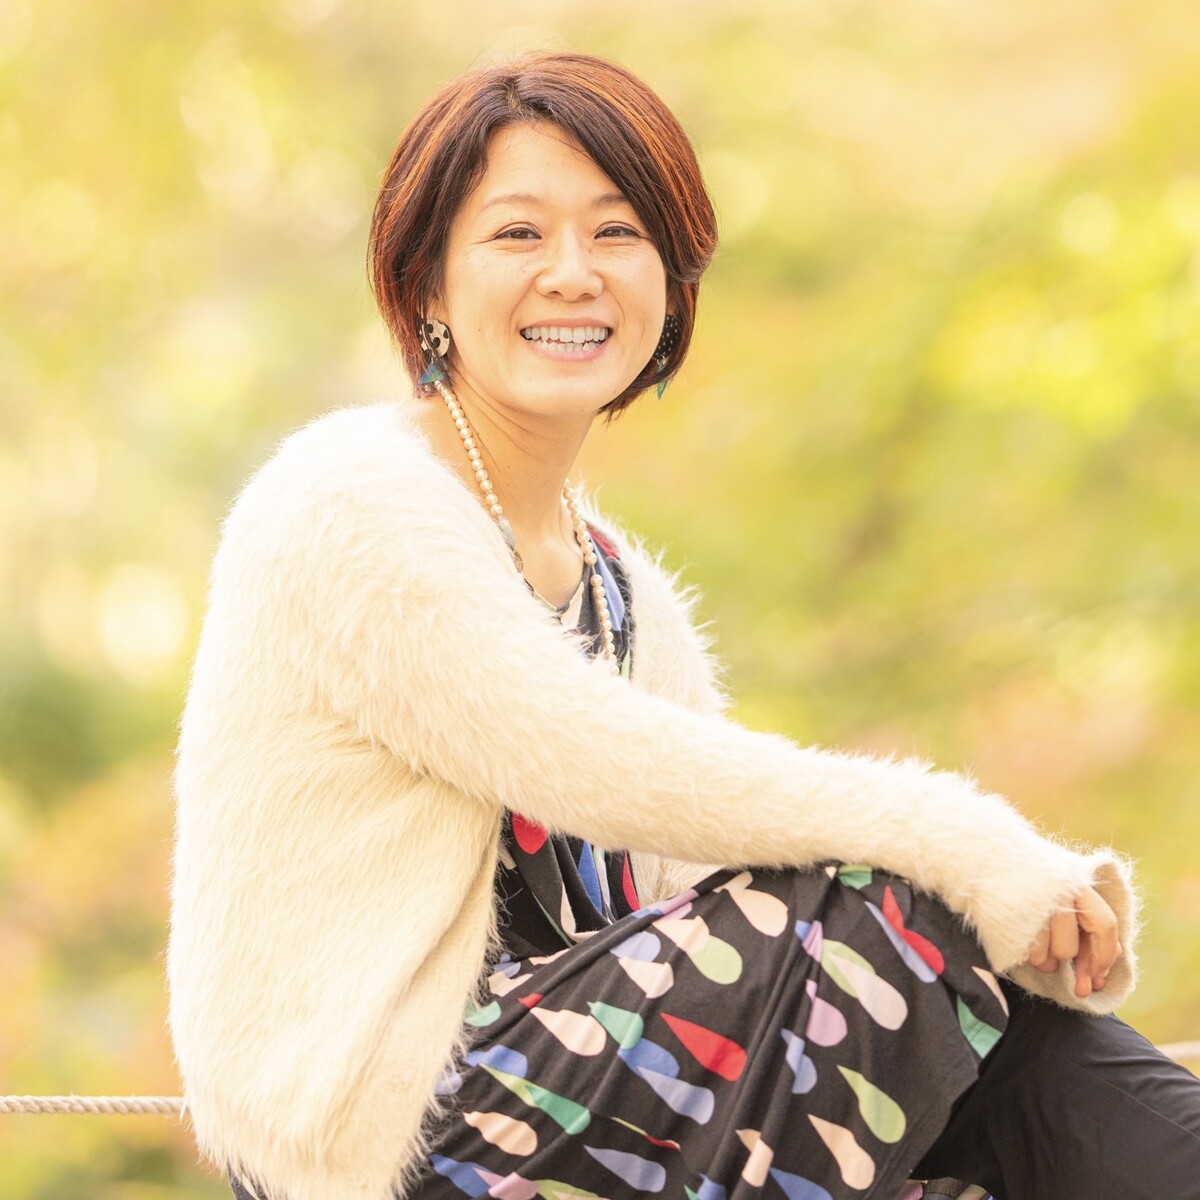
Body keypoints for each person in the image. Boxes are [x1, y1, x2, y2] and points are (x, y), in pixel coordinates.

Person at [166, 52, 1200, 1200]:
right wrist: (973, 846)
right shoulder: (346, 500)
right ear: (427, 287)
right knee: (880, 908)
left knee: (1015, 1074)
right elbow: (576, 756)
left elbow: (714, 880)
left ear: (670, 282)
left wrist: (999, 924)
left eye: (617, 233)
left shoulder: (619, 590)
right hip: (388, 1132)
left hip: (605, 1091)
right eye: (518, 234)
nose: (573, 274)